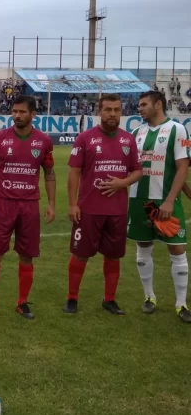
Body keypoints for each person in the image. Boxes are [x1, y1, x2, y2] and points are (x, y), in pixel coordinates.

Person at [0, 95, 55, 319]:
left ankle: (22, 302)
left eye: (22, 112)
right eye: (14, 111)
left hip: (30, 205)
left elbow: (49, 174)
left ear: (33, 115)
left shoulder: (43, 142)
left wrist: (51, 204)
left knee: (27, 255)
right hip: (2, 204)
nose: (17, 116)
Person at [64, 94, 143, 315]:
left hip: (117, 211)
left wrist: (123, 182)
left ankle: (109, 299)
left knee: (113, 255)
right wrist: (72, 204)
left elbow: (138, 171)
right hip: (88, 209)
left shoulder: (128, 140)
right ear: (99, 111)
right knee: (80, 254)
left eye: (117, 110)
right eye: (108, 109)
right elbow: (74, 173)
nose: (113, 114)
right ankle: (72, 298)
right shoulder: (85, 138)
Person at [128, 90, 191, 322]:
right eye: (139, 104)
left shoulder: (178, 129)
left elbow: (182, 166)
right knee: (143, 246)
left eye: (144, 104)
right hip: (139, 200)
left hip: (166, 201)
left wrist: (169, 200)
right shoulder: (135, 132)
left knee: (176, 248)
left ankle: (181, 304)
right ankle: (149, 297)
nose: (139, 108)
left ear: (159, 104)